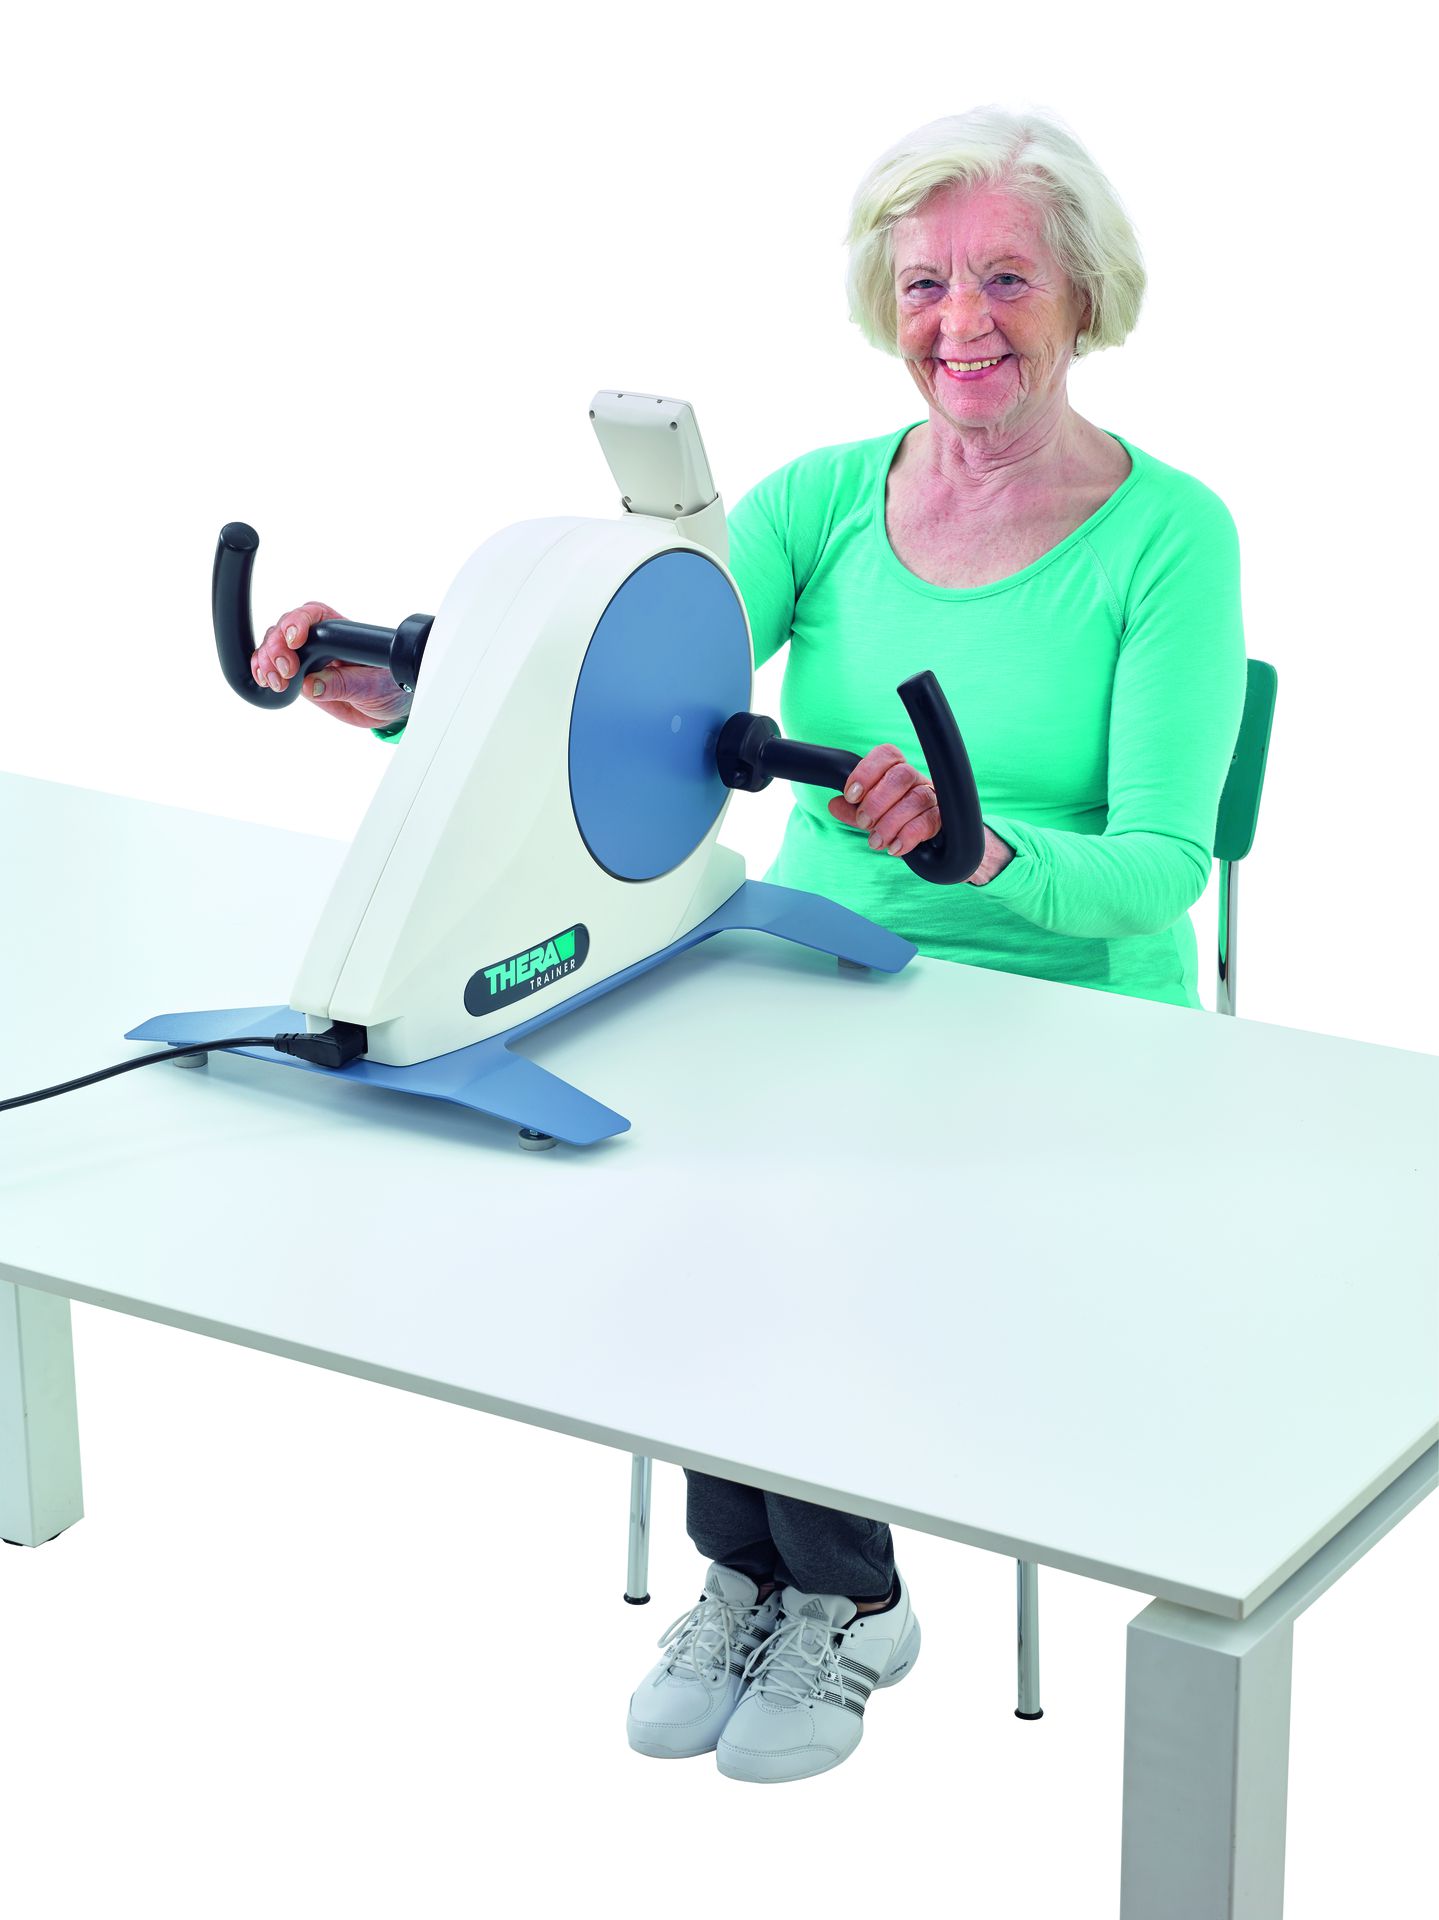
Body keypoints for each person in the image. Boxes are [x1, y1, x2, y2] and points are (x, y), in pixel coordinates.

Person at [247, 104, 1247, 1785]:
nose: (962, 322)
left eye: (1008, 278)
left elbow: (1159, 871)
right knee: (666, 1164)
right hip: (821, 965)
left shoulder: (1170, 537)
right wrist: (409, 700)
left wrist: (980, 844)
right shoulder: (824, 501)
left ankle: (842, 1595)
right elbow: (621, 687)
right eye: (926, 284)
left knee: (804, 1204)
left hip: (1066, 1011)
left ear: (1086, 295)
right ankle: (764, 1573)